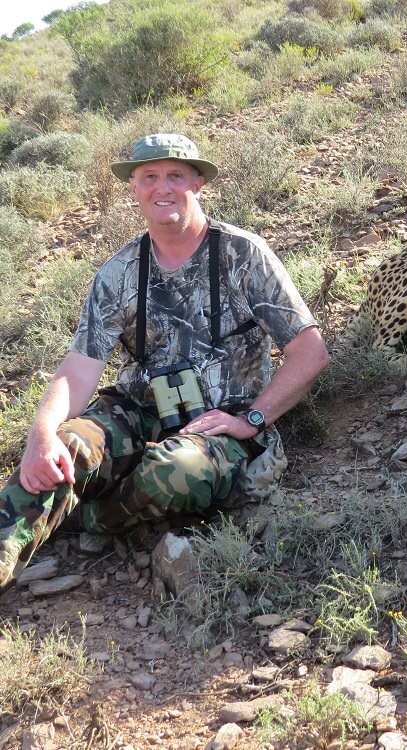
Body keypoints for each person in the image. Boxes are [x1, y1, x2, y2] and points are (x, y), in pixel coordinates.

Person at [0, 133, 329, 593]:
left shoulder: (242, 254)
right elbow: (79, 368)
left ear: (198, 183)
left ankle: (82, 515)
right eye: (149, 177)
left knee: (175, 473)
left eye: (176, 175)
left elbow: (310, 351)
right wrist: (42, 433)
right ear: (134, 188)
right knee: (67, 447)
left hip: (220, 424)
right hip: (138, 412)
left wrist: (253, 419)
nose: (163, 187)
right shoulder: (118, 273)